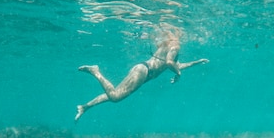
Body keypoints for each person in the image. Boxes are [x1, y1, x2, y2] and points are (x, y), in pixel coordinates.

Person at [75, 25, 209, 122]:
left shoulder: (169, 45)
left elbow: (176, 65)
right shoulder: (176, 45)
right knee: (115, 97)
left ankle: (86, 107)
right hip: (144, 72)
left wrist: (196, 62)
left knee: (116, 92)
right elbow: (169, 63)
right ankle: (95, 71)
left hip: (143, 71)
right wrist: (178, 75)